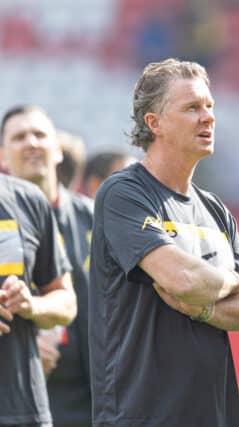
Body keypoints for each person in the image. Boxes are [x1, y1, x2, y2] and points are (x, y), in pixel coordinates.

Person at [89, 58, 239, 427]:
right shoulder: (124, 192)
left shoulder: (215, 208)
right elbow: (183, 281)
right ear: (153, 123)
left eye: (209, 106)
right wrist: (233, 280)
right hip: (142, 416)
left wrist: (205, 309)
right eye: (192, 108)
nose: (208, 117)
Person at [1, 105, 94, 427]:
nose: (31, 143)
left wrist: (36, 307)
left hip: (94, 391)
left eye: (40, 134)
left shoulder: (97, 219)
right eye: (19, 136)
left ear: (58, 149)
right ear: (2, 155)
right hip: (25, 382)